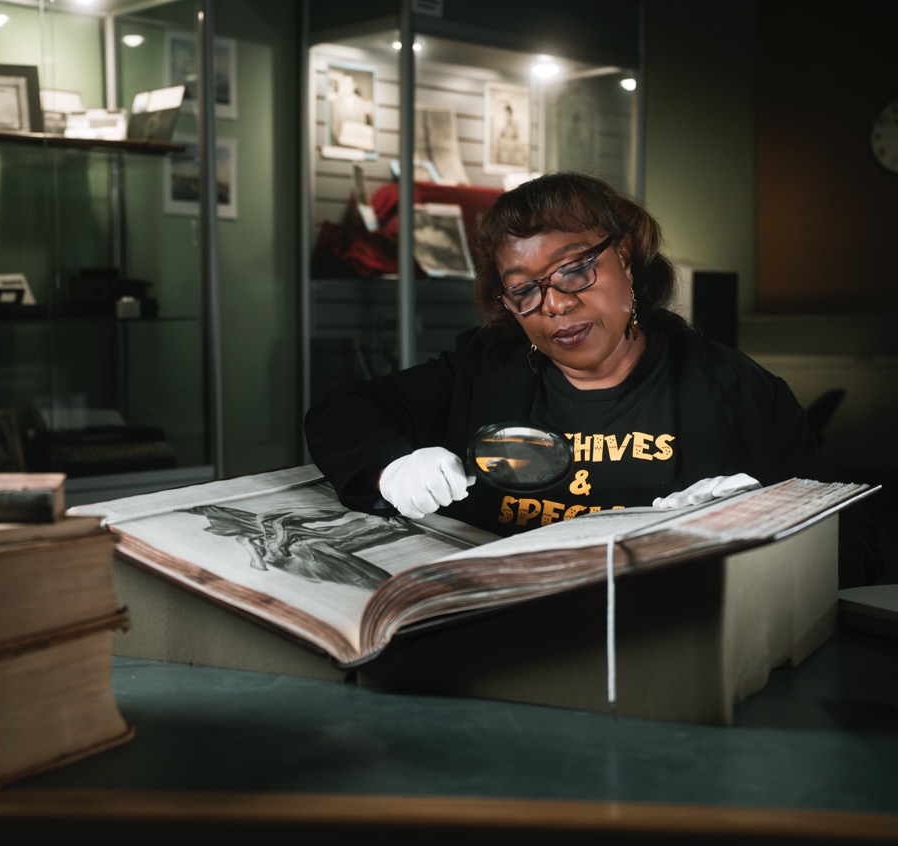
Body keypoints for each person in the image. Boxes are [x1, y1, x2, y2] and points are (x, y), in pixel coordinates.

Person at [304, 171, 880, 587]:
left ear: (625, 260)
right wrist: (389, 466)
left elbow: (854, 544)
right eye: (524, 288)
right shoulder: (483, 370)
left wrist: (761, 527)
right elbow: (342, 411)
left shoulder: (733, 389)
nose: (553, 304)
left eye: (575, 269)